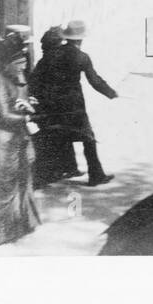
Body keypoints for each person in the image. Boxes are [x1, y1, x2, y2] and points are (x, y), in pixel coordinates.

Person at [27, 19, 116, 187]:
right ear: (81, 39)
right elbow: (95, 81)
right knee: (88, 138)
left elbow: (36, 77)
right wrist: (111, 93)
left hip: (52, 104)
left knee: (58, 134)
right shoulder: (82, 57)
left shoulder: (52, 54)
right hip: (73, 106)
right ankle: (96, 176)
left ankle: (57, 172)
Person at [0, 28, 41, 246]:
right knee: (4, 186)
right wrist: (24, 117)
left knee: (22, 181)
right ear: (9, 63)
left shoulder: (18, 79)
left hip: (18, 140)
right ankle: (2, 231)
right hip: (4, 142)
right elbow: (2, 115)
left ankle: (21, 224)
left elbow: (17, 103)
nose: (23, 65)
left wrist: (28, 104)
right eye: (19, 62)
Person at [31, 26, 80, 182]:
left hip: (51, 103)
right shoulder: (54, 60)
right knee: (57, 136)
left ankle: (67, 168)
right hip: (54, 104)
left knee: (59, 135)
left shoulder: (45, 61)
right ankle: (61, 170)